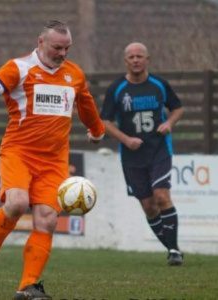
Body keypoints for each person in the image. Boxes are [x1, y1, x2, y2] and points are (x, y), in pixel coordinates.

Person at [0, 20, 105, 300]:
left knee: (47, 220)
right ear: (40, 42)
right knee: (16, 204)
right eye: (57, 47)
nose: (62, 53)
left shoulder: (74, 75)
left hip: (54, 161)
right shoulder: (18, 68)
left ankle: (27, 287)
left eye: (67, 48)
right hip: (19, 152)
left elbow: (86, 105)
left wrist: (97, 130)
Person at [100, 42, 184, 266]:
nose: (136, 60)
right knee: (148, 206)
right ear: (125, 61)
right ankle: (172, 248)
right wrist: (126, 139)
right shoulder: (117, 89)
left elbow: (178, 108)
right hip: (131, 156)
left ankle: (174, 250)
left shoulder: (159, 84)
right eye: (131, 57)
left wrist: (169, 123)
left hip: (158, 150)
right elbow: (104, 121)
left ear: (148, 59)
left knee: (162, 197)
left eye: (140, 56)